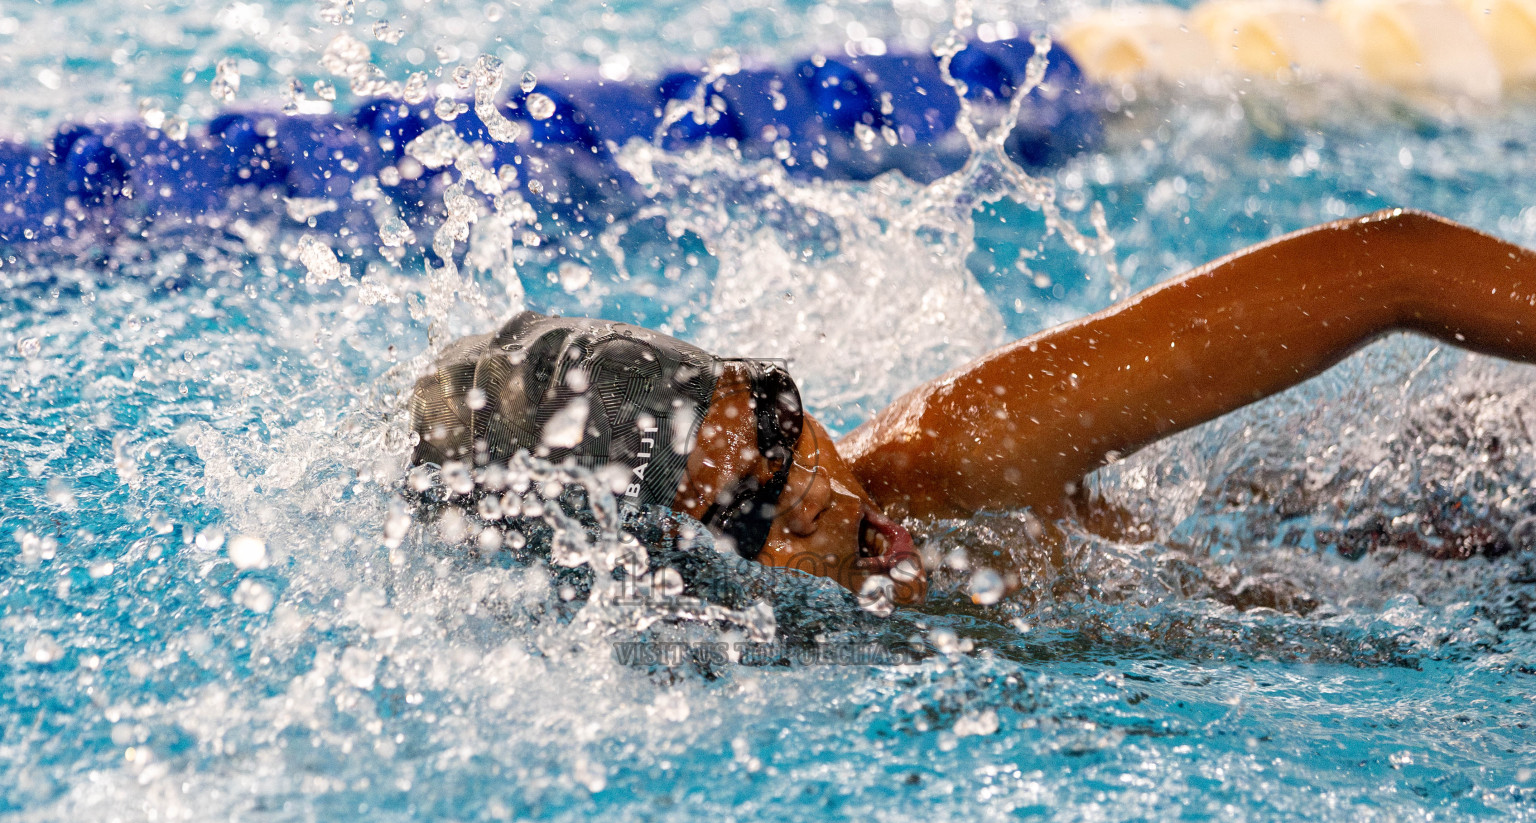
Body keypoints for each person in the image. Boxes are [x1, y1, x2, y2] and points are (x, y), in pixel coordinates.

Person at [409, 208, 1536, 605]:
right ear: (659, 561)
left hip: (1460, 528)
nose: (835, 498)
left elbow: (1395, 264)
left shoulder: (965, 448)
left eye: (787, 430)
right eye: (768, 518)